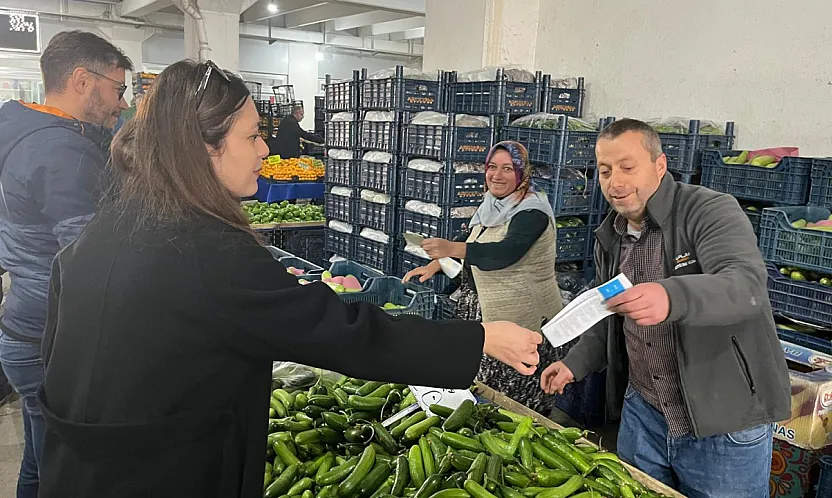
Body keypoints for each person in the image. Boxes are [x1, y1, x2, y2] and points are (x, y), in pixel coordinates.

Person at [35, 60, 543, 498]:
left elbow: (55, 354)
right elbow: (340, 330)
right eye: (252, 136)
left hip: (79, 467)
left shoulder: (110, 225)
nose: (264, 150)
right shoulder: (206, 250)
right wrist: (477, 338)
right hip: (158, 474)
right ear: (203, 147)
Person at [540, 119, 791, 497]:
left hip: (721, 419)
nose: (615, 182)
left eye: (628, 167)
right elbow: (608, 310)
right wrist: (575, 363)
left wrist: (672, 296)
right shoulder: (611, 234)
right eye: (605, 171)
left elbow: (746, 286)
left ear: (660, 166)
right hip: (644, 414)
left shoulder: (709, 210)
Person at [0, 30, 132, 498]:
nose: (122, 103)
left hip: (23, 322)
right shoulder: (60, 153)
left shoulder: (21, 127)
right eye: (117, 89)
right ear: (82, 80)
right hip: (49, 336)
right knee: (63, 471)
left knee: (40, 458)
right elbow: (90, 265)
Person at [403, 141, 564, 414]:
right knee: (483, 391)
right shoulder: (493, 205)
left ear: (521, 173)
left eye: (507, 169)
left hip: (521, 319)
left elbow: (504, 253)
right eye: (491, 167)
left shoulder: (532, 211)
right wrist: (439, 264)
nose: (497, 176)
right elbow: (472, 242)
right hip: (484, 314)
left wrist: (451, 249)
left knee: (515, 399)